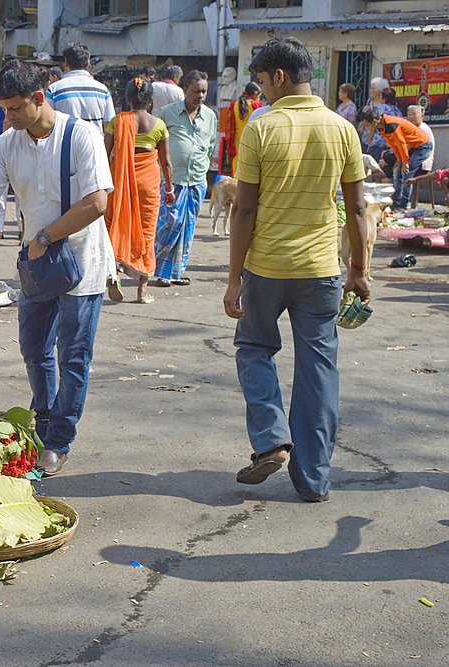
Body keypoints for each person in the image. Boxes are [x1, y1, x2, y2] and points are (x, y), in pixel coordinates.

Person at [0, 62, 115, 477]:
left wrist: (43, 236)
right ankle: (42, 422)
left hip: (82, 263)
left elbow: (97, 202)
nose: (6, 118)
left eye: (13, 109)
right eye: (4, 109)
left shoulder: (80, 135)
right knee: (34, 350)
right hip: (36, 266)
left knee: (73, 356)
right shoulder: (9, 144)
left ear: (39, 98)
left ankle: (59, 440)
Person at [224, 36, 370, 503]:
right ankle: (313, 481)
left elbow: (244, 211)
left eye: (263, 82)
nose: (261, 92)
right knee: (318, 370)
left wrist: (233, 279)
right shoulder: (342, 129)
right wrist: (360, 271)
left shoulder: (261, 129)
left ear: (279, 77)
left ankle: (270, 441)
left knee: (253, 347)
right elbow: (358, 209)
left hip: (266, 270)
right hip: (322, 271)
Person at [103, 77, 174, 304]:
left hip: (119, 184)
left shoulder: (117, 122)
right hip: (149, 186)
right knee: (146, 234)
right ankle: (142, 292)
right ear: (150, 101)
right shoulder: (159, 125)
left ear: (127, 99)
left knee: (115, 225)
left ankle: (114, 274)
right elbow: (167, 162)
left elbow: (104, 157)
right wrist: (170, 188)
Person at [154, 70, 218, 287]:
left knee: (188, 227)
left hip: (197, 181)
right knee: (169, 223)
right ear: (185, 90)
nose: (200, 95)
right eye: (196, 91)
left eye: (204, 91)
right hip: (172, 181)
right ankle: (160, 270)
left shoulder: (210, 116)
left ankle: (177, 272)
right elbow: (155, 144)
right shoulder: (167, 113)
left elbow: (210, 146)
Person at [358, 108, 433, 212]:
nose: (367, 128)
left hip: (423, 146)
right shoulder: (381, 128)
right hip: (413, 147)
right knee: (397, 170)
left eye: (367, 125)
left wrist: (405, 162)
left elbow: (401, 143)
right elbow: (394, 144)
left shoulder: (391, 124)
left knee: (407, 172)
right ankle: (396, 203)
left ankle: (403, 205)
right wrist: (398, 160)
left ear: (374, 121)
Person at [45, 42, 116, 135]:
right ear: (88, 63)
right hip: (95, 147)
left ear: (66, 62)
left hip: (64, 147)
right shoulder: (103, 90)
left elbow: (48, 123)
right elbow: (109, 126)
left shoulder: (53, 90)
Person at [222, 82, 264, 175]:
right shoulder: (255, 105)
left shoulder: (235, 104)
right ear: (254, 94)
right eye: (259, 96)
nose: (259, 98)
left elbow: (229, 123)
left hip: (237, 139)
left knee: (238, 159)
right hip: (250, 138)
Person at [359, 78, 401, 161]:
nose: (370, 90)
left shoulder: (383, 108)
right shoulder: (369, 102)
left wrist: (370, 143)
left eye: (372, 88)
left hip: (378, 142)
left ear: (379, 91)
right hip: (370, 139)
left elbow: (374, 128)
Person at [406, 104, 435, 177]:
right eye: (409, 115)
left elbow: (408, 146)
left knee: (397, 165)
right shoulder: (414, 128)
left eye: (414, 114)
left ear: (422, 116)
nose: (411, 117)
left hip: (422, 164)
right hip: (414, 159)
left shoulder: (421, 128)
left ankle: (403, 187)